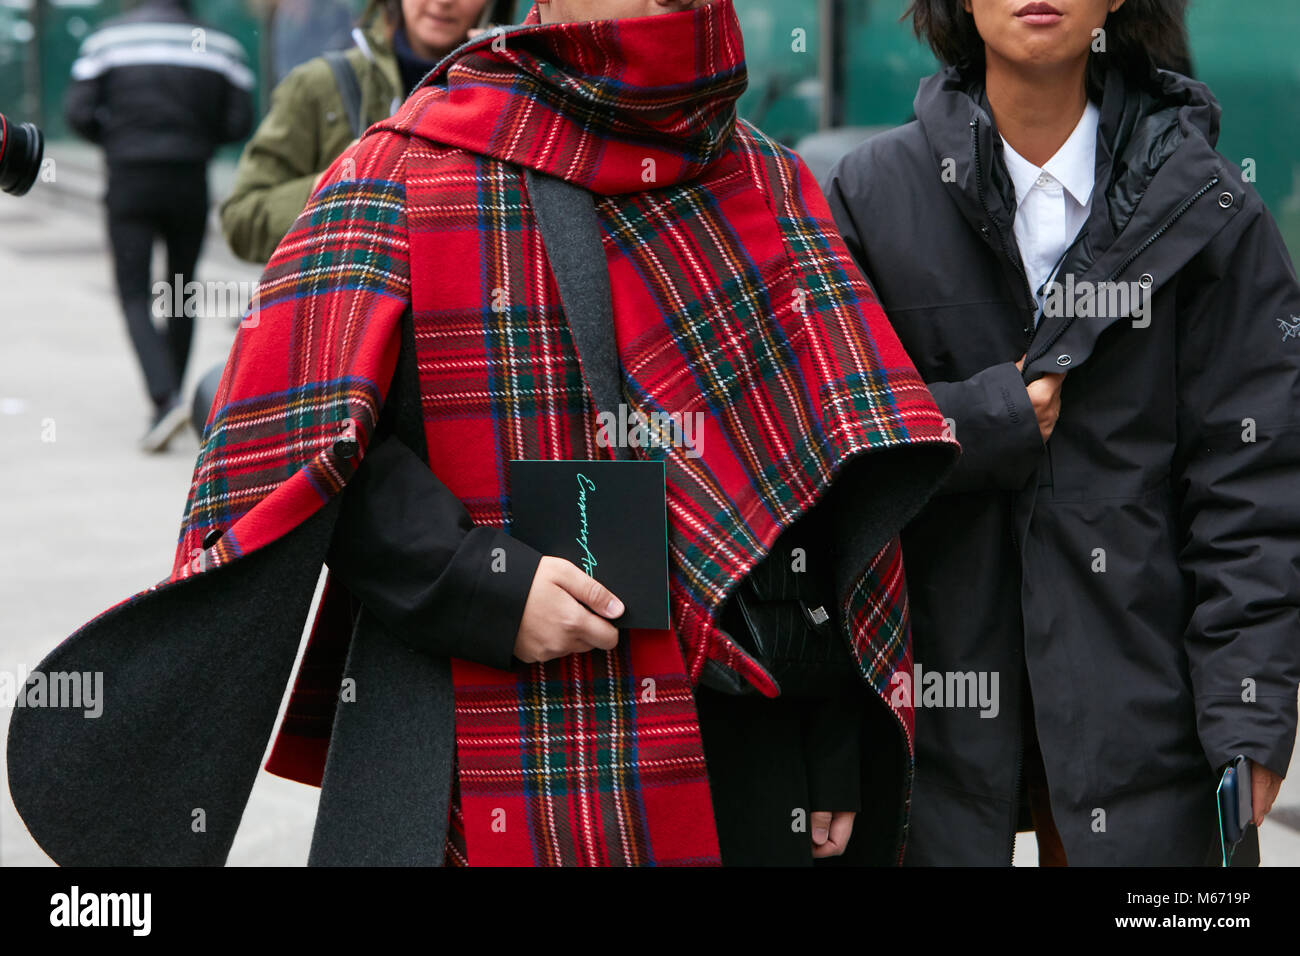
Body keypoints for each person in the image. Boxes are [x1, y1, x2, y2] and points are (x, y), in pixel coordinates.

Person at [8, 0, 958, 867]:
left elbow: (832, 494)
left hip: (740, 758)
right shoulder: (405, 163)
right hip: (463, 739)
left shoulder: (768, 182)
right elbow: (296, 443)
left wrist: (834, 741)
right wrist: (482, 581)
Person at [824, 0, 1300, 865]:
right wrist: (985, 418)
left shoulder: (1211, 209)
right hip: (926, 719)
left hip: (1144, 720)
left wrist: (1250, 711)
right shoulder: (870, 195)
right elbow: (823, 448)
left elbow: (1253, 482)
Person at [64, 0, 254, 452]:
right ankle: (170, 398)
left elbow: (77, 113)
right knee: (181, 289)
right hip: (188, 180)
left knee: (133, 293)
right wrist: (196, 141)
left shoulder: (107, 41)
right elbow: (239, 121)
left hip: (129, 178)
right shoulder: (221, 46)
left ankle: (164, 398)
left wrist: (119, 140)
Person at [220, 0, 513, 265]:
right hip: (345, 316)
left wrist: (504, 86)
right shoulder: (321, 85)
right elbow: (241, 221)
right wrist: (329, 186)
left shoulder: (515, 92)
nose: (444, 2)